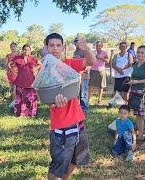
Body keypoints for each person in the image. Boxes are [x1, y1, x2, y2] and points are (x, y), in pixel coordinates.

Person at [45, 33, 96, 180]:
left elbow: (91, 61)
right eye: (51, 45)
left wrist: (85, 46)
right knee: (56, 169)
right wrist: (52, 103)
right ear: (46, 47)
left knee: (76, 160)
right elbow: (44, 97)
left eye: (58, 45)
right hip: (61, 126)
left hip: (77, 122)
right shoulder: (44, 71)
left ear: (62, 48)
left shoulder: (68, 64)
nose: (55, 49)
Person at [128, 45, 145, 149]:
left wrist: (138, 81)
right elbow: (133, 75)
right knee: (138, 115)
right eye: (138, 52)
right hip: (135, 92)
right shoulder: (135, 64)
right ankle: (140, 135)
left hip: (144, 93)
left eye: (142, 52)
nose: (139, 54)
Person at [8, 44, 41, 117]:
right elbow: (9, 64)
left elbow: (40, 64)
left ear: (30, 51)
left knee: (31, 97)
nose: (26, 51)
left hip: (31, 80)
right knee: (20, 97)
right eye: (25, 49)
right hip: (20, 79)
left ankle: (31, 113)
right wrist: (14, 72)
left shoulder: (32, 58)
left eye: (28, 50)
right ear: (22, 50)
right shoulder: (17, 58)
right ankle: (20, 113)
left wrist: (34, 69)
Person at [73, 37, 90, 113]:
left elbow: (89, 63)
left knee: (83, 92)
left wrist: (82, 71)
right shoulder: (76, 52)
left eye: (79, 42)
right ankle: (79, 107)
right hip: (76, 76)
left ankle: (85, 108)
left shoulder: (85, 51)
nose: (77, 44)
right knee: (77, 92)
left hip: (84, 75)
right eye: (76, 42)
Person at [5, 42, 20, 108]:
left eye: (14, 46)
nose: (13, 48)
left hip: (18, 72)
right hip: (10, 72)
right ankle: (13, 102)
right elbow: (6, 64)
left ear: (16, 47)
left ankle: (16, 102)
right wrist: (9, 66)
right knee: (12, 88)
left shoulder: (19, 54)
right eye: (11, 46)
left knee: (16, 87)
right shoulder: (8, 55)